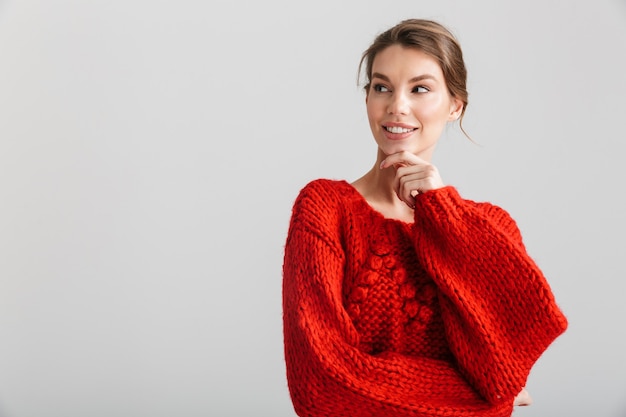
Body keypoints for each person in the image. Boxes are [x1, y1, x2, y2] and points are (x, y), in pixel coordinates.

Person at [282, 18, 567, 417]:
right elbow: (320, 385)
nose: (397, 105)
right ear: (367, 99)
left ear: (455, 105)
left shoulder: (491, 227)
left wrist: (443, 212)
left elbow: (503, 367)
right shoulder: (325, 208)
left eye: (420, 89)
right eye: (382, 87)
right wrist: (482, 400)